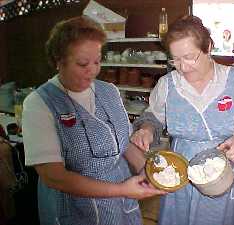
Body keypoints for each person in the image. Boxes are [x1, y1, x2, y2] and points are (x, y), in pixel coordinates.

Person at [22, 16, 164, 225]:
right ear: (58, 61)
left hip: (121, 203)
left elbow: (123, 144)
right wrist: (120, 190)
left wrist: (145, 169)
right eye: (82, 63)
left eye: (97, 61)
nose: (93, 70)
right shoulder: (39, 104)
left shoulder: (109, 91)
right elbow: (53, 176)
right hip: (77, 208)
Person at [130, 15, 234, 225]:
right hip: (180, 171)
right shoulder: (167, 84)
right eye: (175, 59)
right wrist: (147, 129)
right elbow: (153, 117)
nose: (182, 67)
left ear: (208, 47)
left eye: (189, 57)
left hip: (221, 173)